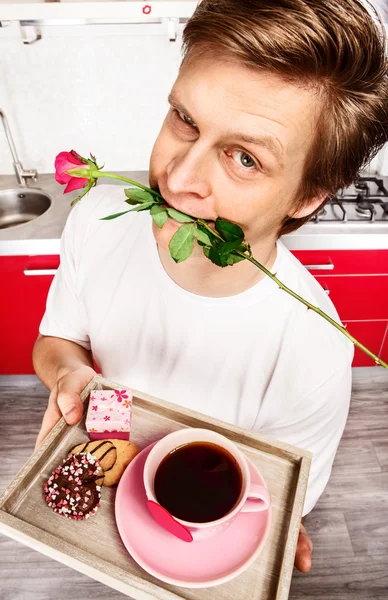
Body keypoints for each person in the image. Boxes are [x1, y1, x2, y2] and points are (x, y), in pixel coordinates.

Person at [33, 0, 388, 575]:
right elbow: (56, 340)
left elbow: (278, 499)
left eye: (245, 158)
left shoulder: (313, 351)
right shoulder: (96, 217)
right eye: (186, 119)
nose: (178, 178)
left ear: (307, 196)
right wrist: (67, 374)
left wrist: (272, 531)